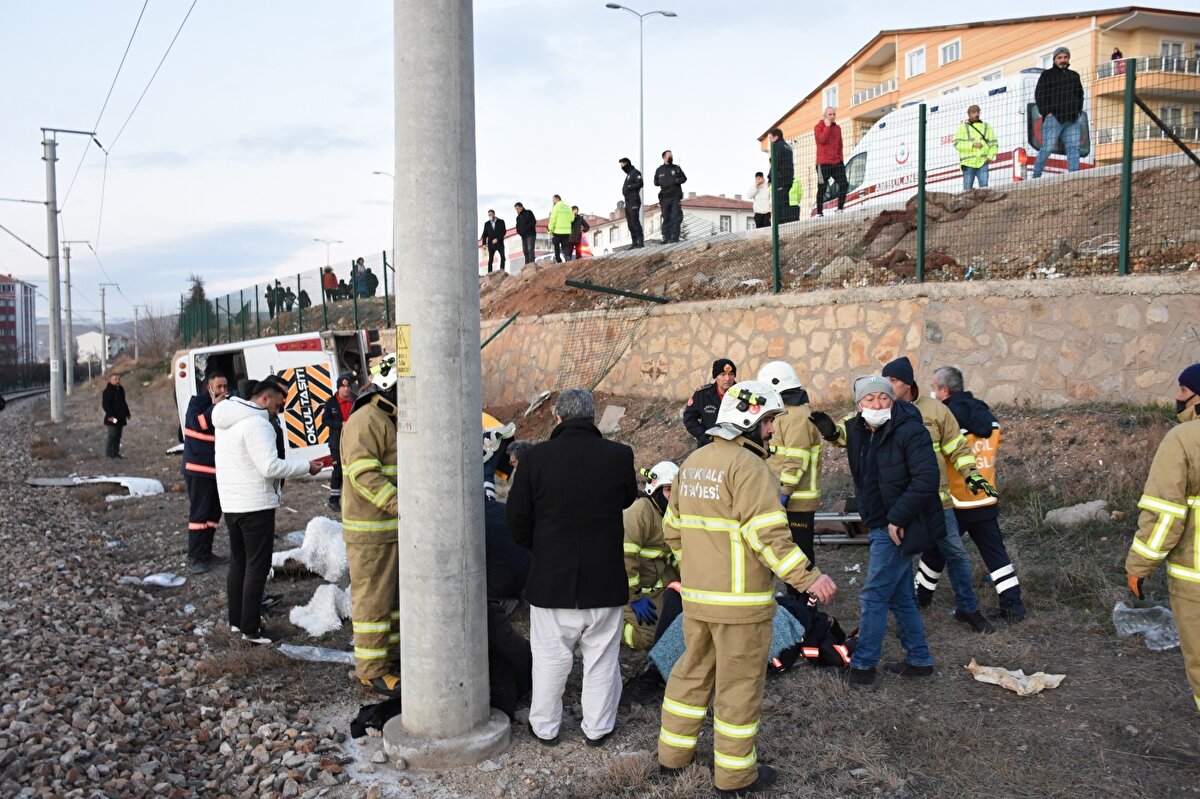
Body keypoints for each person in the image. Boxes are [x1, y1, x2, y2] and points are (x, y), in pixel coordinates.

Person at [658, 380, 836, 797]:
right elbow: (769, 539)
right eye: (769, 421)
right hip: (741, 607)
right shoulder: (751, 468)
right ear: (749, 422)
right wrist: (810, 578)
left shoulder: (693, 463)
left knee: (690, 675)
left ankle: (672, 757)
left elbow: (672, 531)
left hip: (698, 601)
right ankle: (735, 777)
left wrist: (702, 570)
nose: (773, 430)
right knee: (738, 689)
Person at [507, 388, 637, 747]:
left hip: (551, 582)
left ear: (558, 419)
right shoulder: (619, 455)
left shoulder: (535, 460)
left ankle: (545, 727)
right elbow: (628, 497)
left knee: (549, 659)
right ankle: (597, 728)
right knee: (602, 660)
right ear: (592, 418)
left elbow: (516, 517)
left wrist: (542, 549)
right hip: (605, 581)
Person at [879, 356, 996, 634]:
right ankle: (906, 615)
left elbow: (958, 449)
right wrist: (833, 433)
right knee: (901, 560)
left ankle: (967, 608)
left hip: (937, 502)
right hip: (901, 503)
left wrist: (973, 476)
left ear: (907, 383)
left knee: (956, 554)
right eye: (886, 380)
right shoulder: (881, 408)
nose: (888, 385)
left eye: (893, 380)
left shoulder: (936, 410)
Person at [841, 375, 941, 692]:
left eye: (883, 398)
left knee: (874, 596)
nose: (877, 404)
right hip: (879, 521)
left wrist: (896, 518)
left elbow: (926, 479)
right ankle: (920, 660)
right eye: (869, 399)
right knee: (901, 597)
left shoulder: (910, 430)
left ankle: (863, 668)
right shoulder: (857, 432)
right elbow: (864, 477)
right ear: (859, 405)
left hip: (901, 525)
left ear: (893, 401)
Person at [213, 376, 322, 644]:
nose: (279, 410)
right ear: (264, 398)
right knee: (257, 567)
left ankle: (237, 622)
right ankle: (252, 630)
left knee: (238, 563)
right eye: (278, 404)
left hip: (232, 505)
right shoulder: (257, 424)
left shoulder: (228, 419)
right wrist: (306, 467)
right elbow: (270, 467)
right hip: (255, 506)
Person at [920, 366, 1027, 621]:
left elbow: (940, 455)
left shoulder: (947, 417)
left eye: (934, 388)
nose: (932, 393)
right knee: (995, 554)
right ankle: (1013, 605)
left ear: (944, 390)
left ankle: (920, 597)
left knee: (937, 548)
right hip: (985, 497)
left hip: (956, 501)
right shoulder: (986, 414)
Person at [1126, 364, 1200, 714]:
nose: (1176, 396)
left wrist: (1139, 566)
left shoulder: (1184, 439)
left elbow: (1164, 515)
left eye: (1183, 390)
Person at [341, 355, 402, 695]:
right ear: (387, 387)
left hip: (388, 531)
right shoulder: (366, 421)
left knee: (390, 603)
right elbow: (364, 474)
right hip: (371, 533)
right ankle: (371, 670)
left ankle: (388, 658)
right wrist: (402, 506)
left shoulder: (385, 418)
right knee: (372, 604)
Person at [757, 361, 822, 569]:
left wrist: (784, 492)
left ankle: (806, 600)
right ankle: (796, 597)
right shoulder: (784, 412)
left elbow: (796, 458)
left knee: (800, 553)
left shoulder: (796, 416)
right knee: (785, 552)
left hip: (797, 501)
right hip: (782, 496)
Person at [621, 461, 680, 650]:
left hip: (656, 587)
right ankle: (610, 626)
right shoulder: (639, 513)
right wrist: (634, 598)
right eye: (668, 489)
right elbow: (624, 559)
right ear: (655, 489)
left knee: (678, 626)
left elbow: (677, 554)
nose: (673, 496)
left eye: (676, 490)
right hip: (630, 591)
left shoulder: (673, 515)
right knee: (649, 639)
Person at [183, 372, 230, 574]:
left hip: (218, 469)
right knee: (199, 514)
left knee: (213, 514)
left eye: (225, 386)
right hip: (199, 469)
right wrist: (215, 407)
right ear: (209, 388)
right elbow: (199, 424)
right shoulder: (197, 403)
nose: (223, 391)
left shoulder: (228, 404)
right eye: (218, 386)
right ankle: (194, 557)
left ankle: (206, 552)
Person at [1032, 46, 1085, 178]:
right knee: (1047, 148)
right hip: (1054, 118)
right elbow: (1040, 95)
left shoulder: (1074, 75)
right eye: (1059, 57)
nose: (1063, 60)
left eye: (1065, 57)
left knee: (1073, 148)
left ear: (1068, 59)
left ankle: (1074, 176)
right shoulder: (1047, 75)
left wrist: (1078, 110)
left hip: (1072, 119)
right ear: (1054, 59)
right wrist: (1046, 113)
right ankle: (1036, 175)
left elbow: (1080, 94)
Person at [682, 358, 737, 449]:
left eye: (731, 374)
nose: (727, 379)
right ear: (715, 377)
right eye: (723, 374)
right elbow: (689, 418)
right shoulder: (703, 394)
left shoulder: (744, 395)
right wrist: (706, 437)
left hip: (736, 447)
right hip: (709, 447)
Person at [322, 376, 355, 512]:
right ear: (338, 388)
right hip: (336, 443)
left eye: (348, 386)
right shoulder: (330, 403)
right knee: (338, 470)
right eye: (343, 386)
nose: (346, 389)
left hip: (353, 440)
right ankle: (334, 500)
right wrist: (340, 424)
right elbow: (325, 421)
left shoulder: (356, 399)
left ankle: (354, 498)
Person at [954, 104, 998, 190]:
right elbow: (957, 144)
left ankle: (985, 204)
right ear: (969, 114)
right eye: (974, 112)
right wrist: (972, 145)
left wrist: (990, 156)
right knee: (967, 189)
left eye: (978, 112)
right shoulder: (962, 128)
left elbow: (994, 144)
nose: (976, 114)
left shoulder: (986, 127)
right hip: (968, 164)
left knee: (985, 189)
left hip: (983, 162)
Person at [813, 107, 848, 215]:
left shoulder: (837, 128)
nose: (832, 116)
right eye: (830, 114)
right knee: (822, 188)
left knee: (844, 184)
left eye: (834, 114)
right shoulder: (818, 127)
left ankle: (840, 208)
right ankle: (819, 212)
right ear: (825, 115)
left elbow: (840, 145)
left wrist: (841, 160)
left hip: (836, 162)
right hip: (822, 164)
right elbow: (822, 140)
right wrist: (827, 127)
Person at [654, 150, 687, 244]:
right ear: (664, 157)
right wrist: (660, 182)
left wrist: (677, 180)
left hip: (675, 196)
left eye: (672, 155)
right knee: (666, 217)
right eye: (669, 156)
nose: (671, 157)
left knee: (675, 216)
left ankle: (674, 237)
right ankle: (666, 237)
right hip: (664, 197)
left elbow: (684, 178)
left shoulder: (676, 168)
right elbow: (655, 182)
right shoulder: (659, 169)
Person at [767, 128, 799, 224]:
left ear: (776, 137)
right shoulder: (787, 146)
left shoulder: (777, 146)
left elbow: (775, 163)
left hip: (780, 179)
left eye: (770, 138)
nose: (770, 141)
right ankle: (783, 226)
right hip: (788, 179)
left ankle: (781, 227)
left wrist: (770, 178)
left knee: (780, 206)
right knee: (785, 202)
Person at [101, 373, 131, 459]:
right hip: (112, 418)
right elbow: (105, 405)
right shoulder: (107, 391)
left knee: (118, 435)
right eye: (115, 379)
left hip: (120, 417)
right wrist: (110, 416)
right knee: (112, 435)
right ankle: (109, 454)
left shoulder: (121, 389)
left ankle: (115, 453)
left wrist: (127, 413)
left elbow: (123, 403)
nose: (117, 381)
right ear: (110, 380)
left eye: (118, 379)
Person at [618, 158, 644, 247]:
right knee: (630, 223)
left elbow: (640, 183)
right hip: (628, 202)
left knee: (634, 221)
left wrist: (629, 187)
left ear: (627, 163)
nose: (622, 167)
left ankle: (640, 241)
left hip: (634, 201)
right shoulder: (628, 175)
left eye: (622, 165)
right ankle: (634, 241)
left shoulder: (635, 172)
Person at [548, 194, 573, 264]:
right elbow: (572, 218)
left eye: (553, 200)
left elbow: (553, 219)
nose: (553, 202)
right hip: (566, 231)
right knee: (565, 245)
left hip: (557, 230)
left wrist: (550, 228)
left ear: (557, 199)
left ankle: (558, 259)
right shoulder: (568, 207)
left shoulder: (556, 207)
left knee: (556, 245)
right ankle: (567, 256)